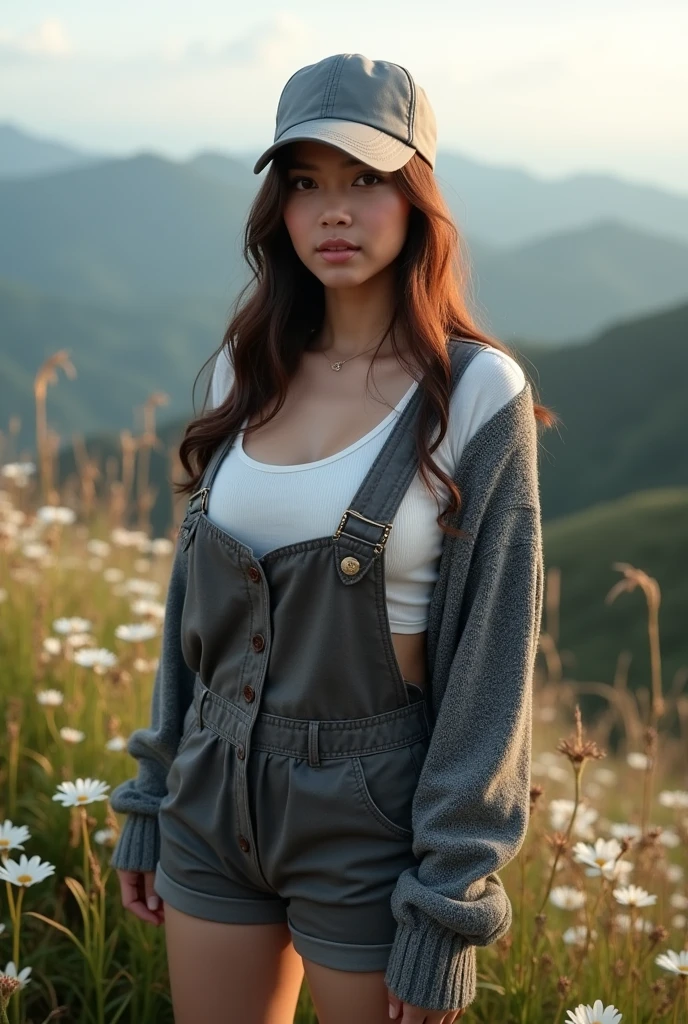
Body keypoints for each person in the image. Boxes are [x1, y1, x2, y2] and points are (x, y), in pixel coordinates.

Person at [109, 52, 553, 1024]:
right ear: (279, 208)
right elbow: (196, 615)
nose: (333, 210)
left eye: (364, 180)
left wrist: (449, 898)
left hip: (371, 811)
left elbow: (491, 664)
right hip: (210, 792)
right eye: (305, 183)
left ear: (416, 195)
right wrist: (148, 796)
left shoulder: (478, 396)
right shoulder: (247, 366)